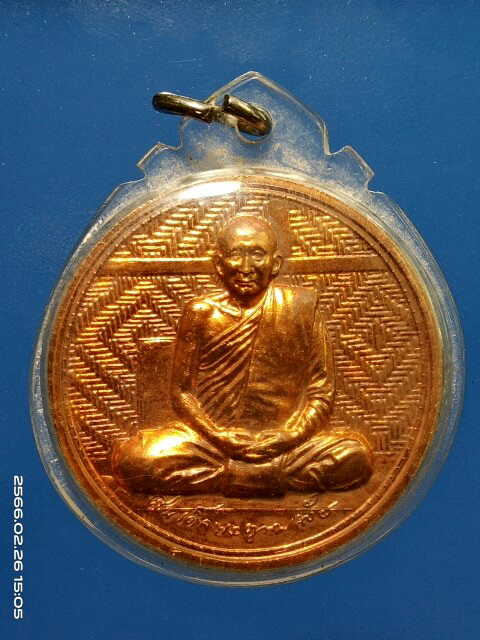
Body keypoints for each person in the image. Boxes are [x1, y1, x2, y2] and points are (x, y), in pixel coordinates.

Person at [112, 215, 372, 497]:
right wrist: (218, 436)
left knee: (355, 456)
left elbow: (321, 392)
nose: (246, 268)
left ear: (275, 264)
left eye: (257, 254)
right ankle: (263, 476)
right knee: (135, 460)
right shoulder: (200, 312)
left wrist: (289, 436)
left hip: (286, 447)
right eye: (236, 254)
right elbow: (182, 393)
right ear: (219, 264)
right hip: (211, 446)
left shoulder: (302, 309)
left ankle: (231, 476)